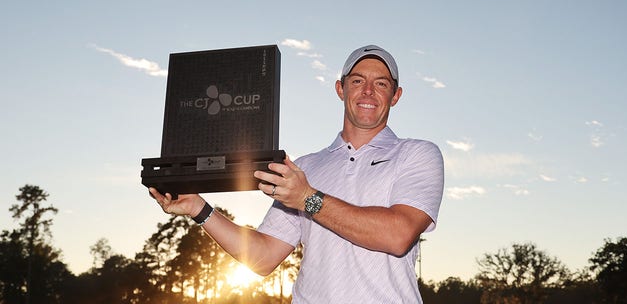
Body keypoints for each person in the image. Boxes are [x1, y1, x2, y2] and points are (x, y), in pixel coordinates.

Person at [149, 44, 444, 303]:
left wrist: (308, 198)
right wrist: (200, 209)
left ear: (395, 95)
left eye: (381, 84)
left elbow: (398, 235)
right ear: (340, 89)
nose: (368, 91)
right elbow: (263, 258)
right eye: (357, 80)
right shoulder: (306, 168)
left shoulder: (416, 154)